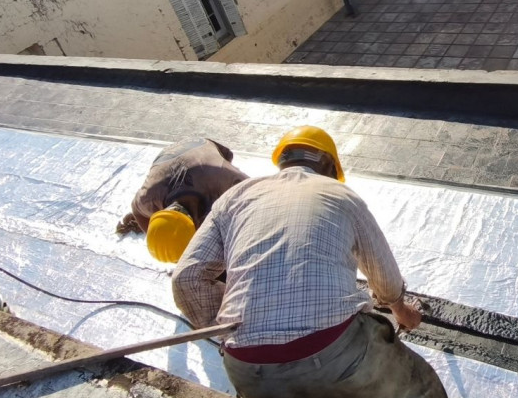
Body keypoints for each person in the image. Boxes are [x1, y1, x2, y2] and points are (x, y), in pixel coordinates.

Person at [172, 126, 445, 398]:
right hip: (336, 353)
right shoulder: (341, 195)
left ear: (282, 161)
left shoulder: (234, 197)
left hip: (246, 366)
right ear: (329, 165)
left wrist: (232, 332)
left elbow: (186, 279)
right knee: (419, 388)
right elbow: (384, 277)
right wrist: (402, 311)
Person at [116, 138, 249, 263]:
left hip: (201, 145)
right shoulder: (148, 199)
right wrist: (153, 232)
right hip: (170, 156)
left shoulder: (231, 182)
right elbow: (137, 211)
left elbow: (261, 196)